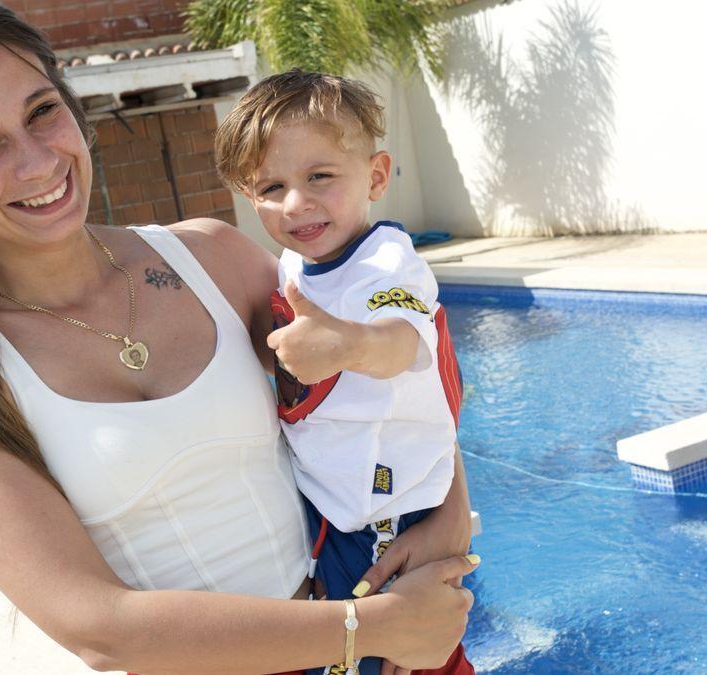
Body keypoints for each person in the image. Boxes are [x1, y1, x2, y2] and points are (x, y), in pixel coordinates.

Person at [0, 0, 477, 672]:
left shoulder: (213, 259)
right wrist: (367, 626)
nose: (38, 161)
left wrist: (449, 508)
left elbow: (403, 366)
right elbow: (97, 625)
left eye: (42, 110)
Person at [215, 71, 473, 675]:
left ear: (376, 176)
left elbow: (405, 344)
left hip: (388, 515)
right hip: (334, 507)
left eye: (319, 177)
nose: (295, 204)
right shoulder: (295, 263)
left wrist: (348, 343)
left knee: (396, 654)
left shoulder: (387, 263)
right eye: (269, 187)